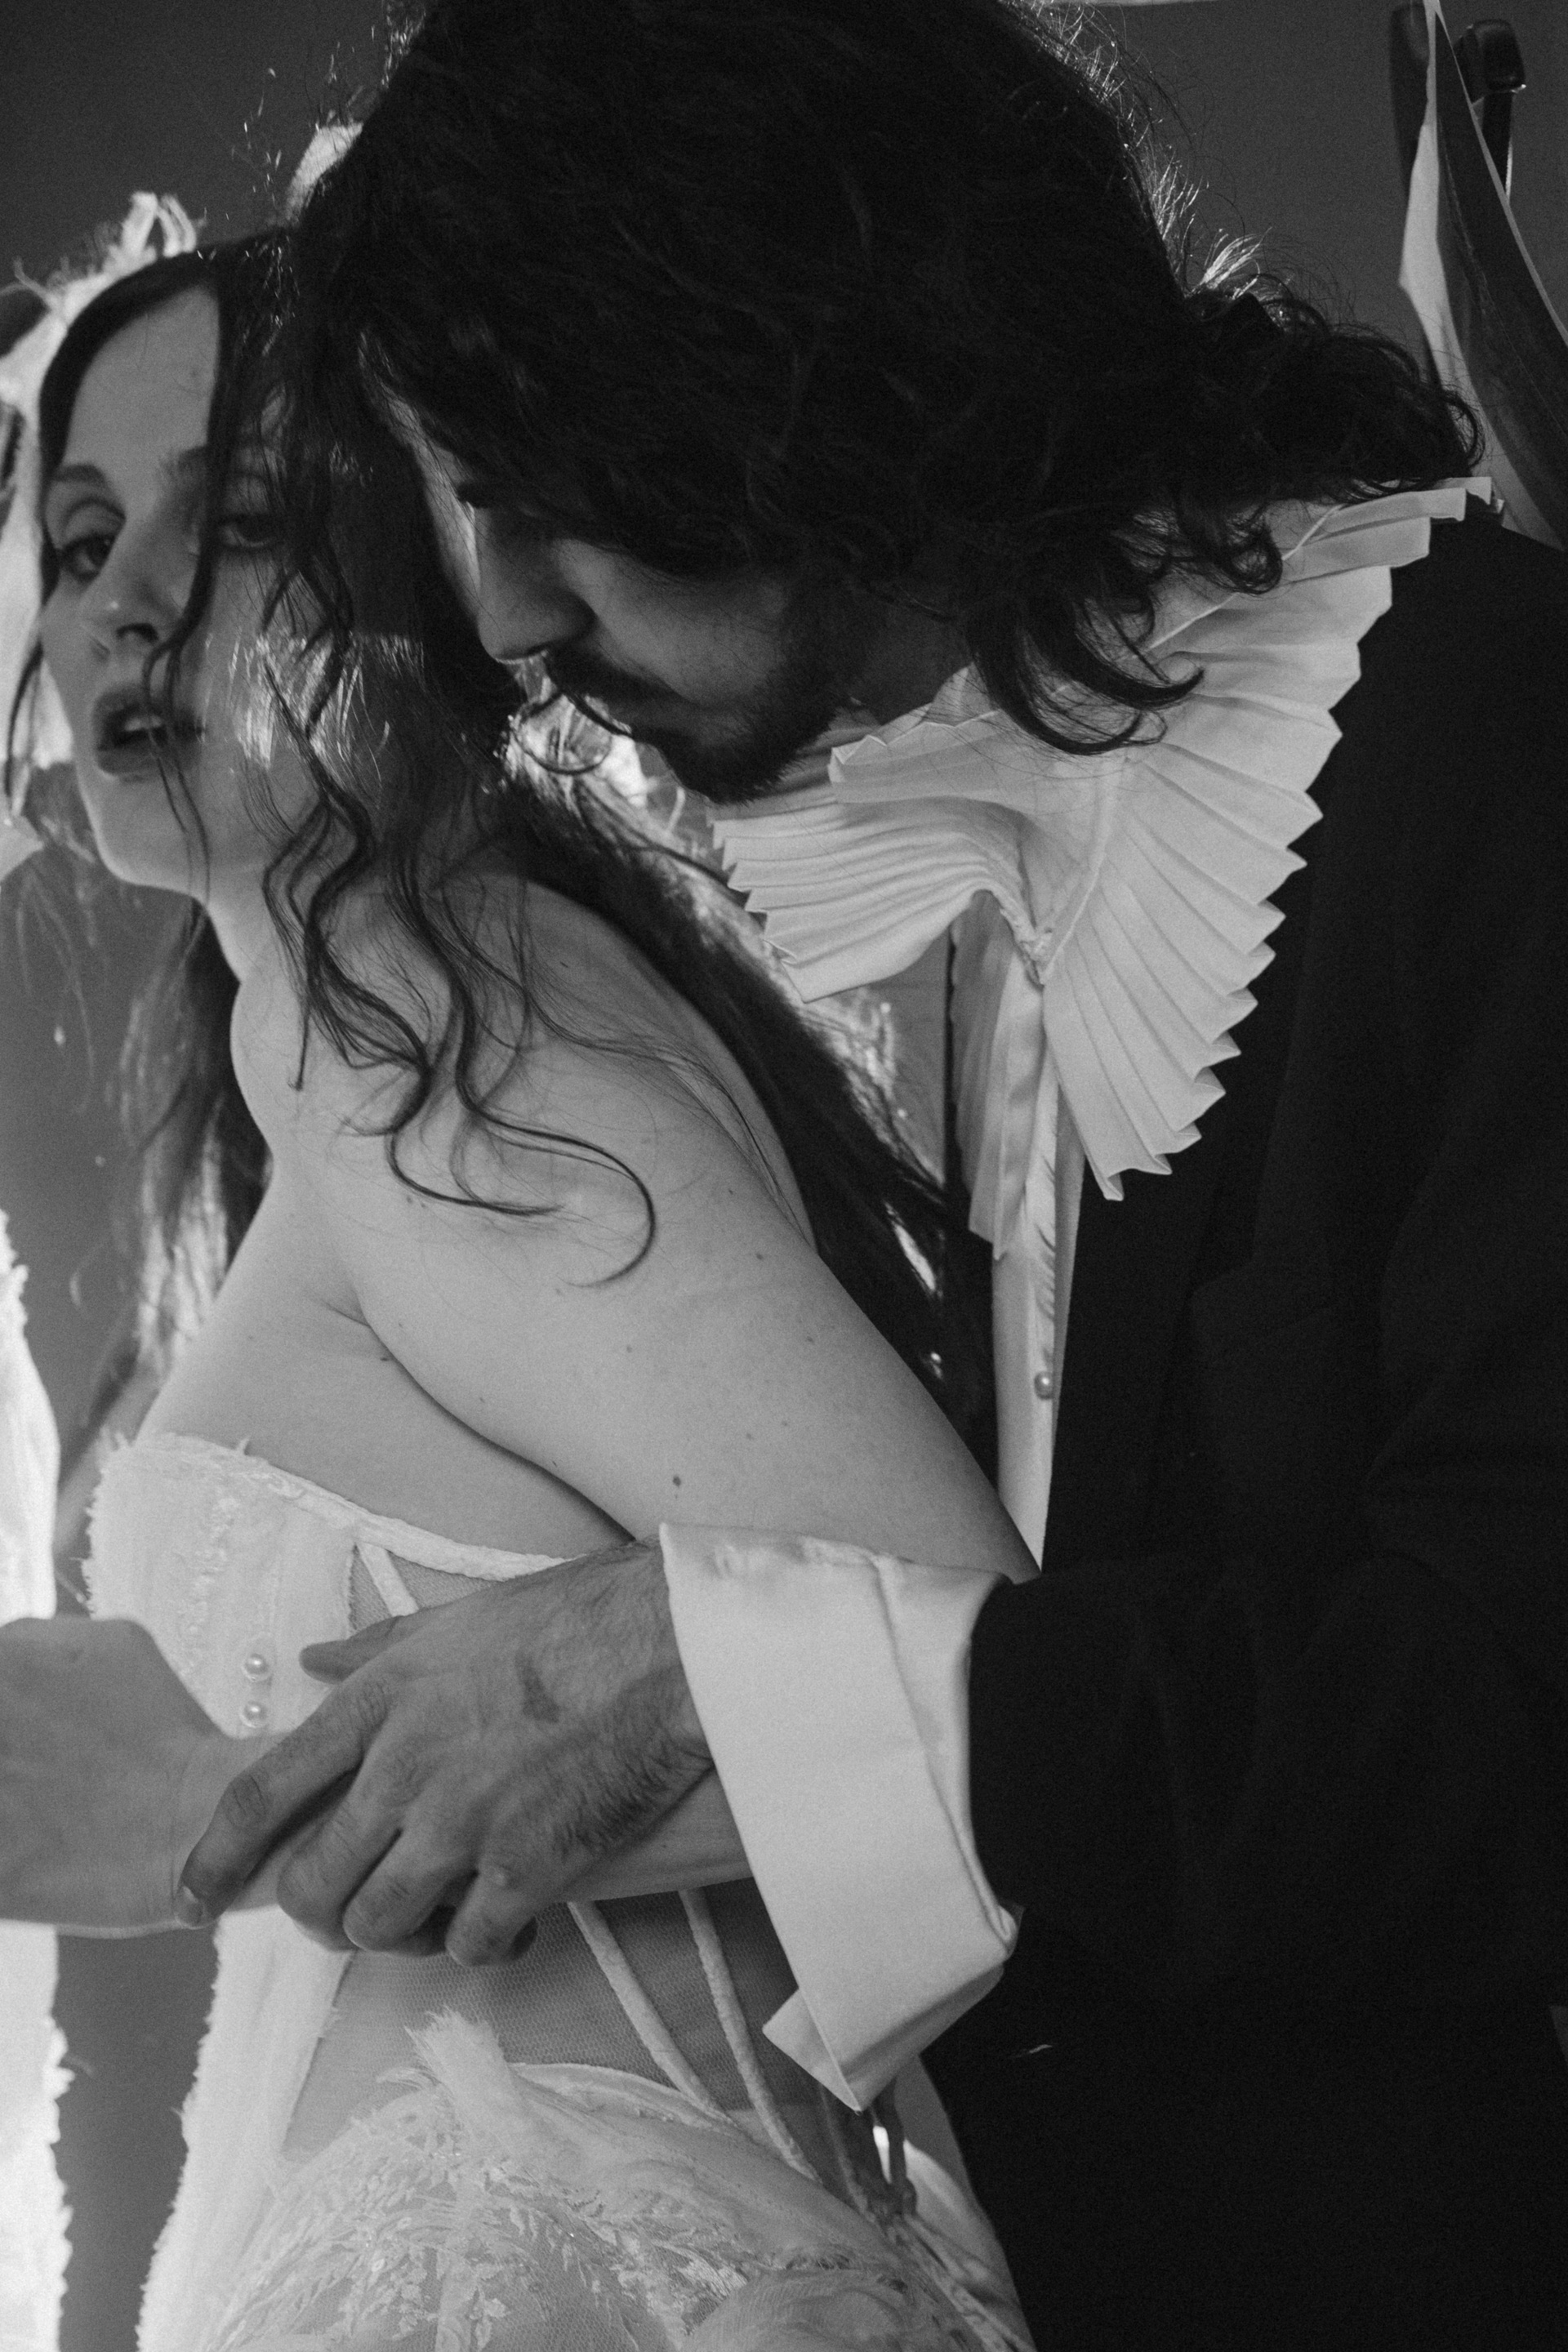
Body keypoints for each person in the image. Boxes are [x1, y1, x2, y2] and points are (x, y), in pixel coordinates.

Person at [176, 3, 1568, 2346]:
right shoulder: (1002, 881)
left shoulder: (1497, 742)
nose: (505, 616)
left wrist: (722, 1672)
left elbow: (1506, 1718)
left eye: (533, 480)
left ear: (795, 326)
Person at [0, 229, 1040, 2350]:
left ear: (442, 575)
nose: (128, 604)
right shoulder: (362, 1034)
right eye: (84, 539)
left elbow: (969, 1676)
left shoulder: (422, 1009)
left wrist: (196, 1808)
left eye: (240, 521)